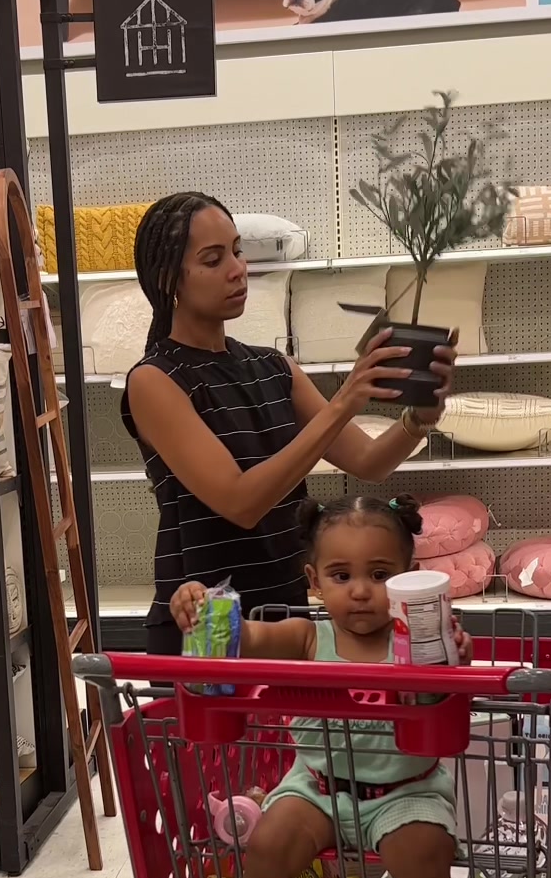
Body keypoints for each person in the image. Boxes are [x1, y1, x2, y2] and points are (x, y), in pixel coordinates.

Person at [170, 495, 473, 878]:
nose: (360, 591)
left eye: (379, 575)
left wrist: (453, 656)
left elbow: (455, 679)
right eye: (341, 575)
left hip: (405, 789)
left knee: (426, 855)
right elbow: (243, 637)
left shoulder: (419, 642)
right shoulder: (307, 638)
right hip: (317, 785)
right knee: (267, 847)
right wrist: (201, 608)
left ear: (409, 579)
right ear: (313, 581)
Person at [121, 192, 457, 655]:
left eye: (237, 251)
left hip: (285, 613)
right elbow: (241, 502)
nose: (237, 269)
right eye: (213, 260)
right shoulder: (154, 380)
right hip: (202, 626)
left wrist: (419, 419)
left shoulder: (274, 367)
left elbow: (368, 461)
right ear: (167, 279)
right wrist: (344, 400)